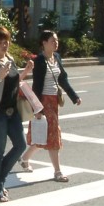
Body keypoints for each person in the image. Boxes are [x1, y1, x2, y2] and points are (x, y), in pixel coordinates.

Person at [0, 26, 33, 202]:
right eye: (0, 42)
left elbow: (14, 82)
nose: (4, 45)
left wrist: (25, 72)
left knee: (20, 145)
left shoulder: (9, 59)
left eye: (6, 41)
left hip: (12, 111)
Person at [22, 30, 82, 179]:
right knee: (52, 135)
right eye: (52, 41)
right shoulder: (39, 61)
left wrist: (74, 97)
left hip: (54, 101)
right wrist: (37, 108)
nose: (56, 43)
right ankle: (57, 171)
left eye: (56, 40)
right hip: (44, 101)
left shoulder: (56, 58)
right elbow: (36, 86)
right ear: (44, 43)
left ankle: (24, 158)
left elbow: (63, 79)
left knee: (43, 134)